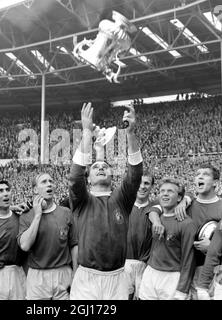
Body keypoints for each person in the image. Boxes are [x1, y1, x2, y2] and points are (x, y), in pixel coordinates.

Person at [69, 102, 142, 300]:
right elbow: (75, 176)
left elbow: (135, 174)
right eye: (95, 167)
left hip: (118, 278)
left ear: (112, 174)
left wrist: (130, 133)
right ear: (89, 178)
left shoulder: (121, 199)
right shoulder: (82, 200)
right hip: (87, 277)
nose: (101, 168)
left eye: (105, 166)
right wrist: (85, 133)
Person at [18, 173, 78, 300]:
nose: (49, 184)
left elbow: (74, 245)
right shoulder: (26, 215)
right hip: (37, 275)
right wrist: (38, 215)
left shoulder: (65, 212)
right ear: (35, 189)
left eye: (51, 181)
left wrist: (74, 273)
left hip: (63, 272)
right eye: (44, 182)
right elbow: (25, 245)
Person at [139, 178, 196, 300]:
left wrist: (182, 289)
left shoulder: (187, 223)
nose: (165, 194)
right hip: (151, 273)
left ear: (180, 198)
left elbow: (189, 259)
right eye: (162, 191)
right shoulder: (156, 219)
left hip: (172, 277)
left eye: (170, 191)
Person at [125, 172, 160, 300]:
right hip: (124, 264)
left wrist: (186, 199)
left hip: (146, 265)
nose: (142, 186)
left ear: (152, 186)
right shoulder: (123, 206)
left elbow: (181, 194)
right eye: (139, 183)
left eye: (146, 183)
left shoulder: (157, 208)